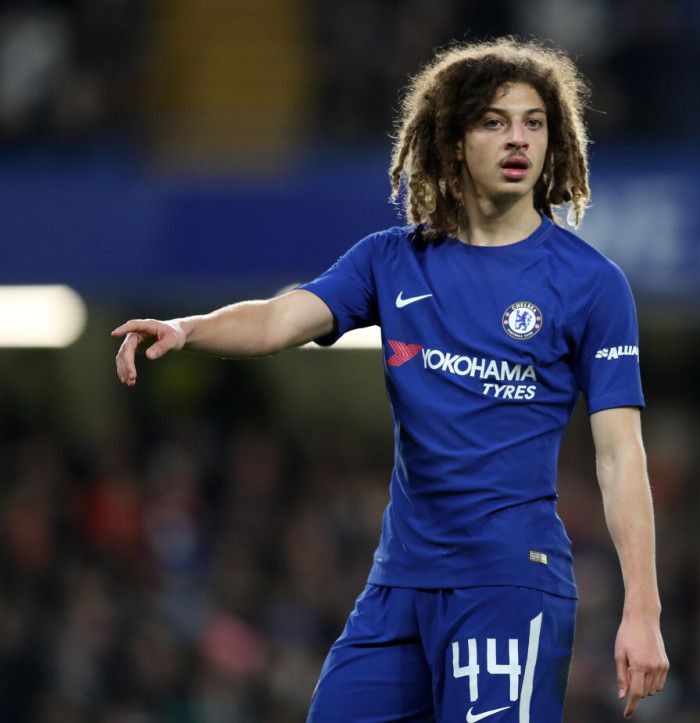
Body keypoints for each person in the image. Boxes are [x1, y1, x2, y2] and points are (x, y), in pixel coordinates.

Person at [113, 37, 668, 722]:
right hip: (399, 585)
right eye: (493, 121)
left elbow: (620, 456)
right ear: (453, 140)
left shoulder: (591, 284)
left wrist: (642, 607)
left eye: (533, 122)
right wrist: (188, 328)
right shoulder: (390, 261)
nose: (517, 138)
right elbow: (277, 318)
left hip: (508, 583)